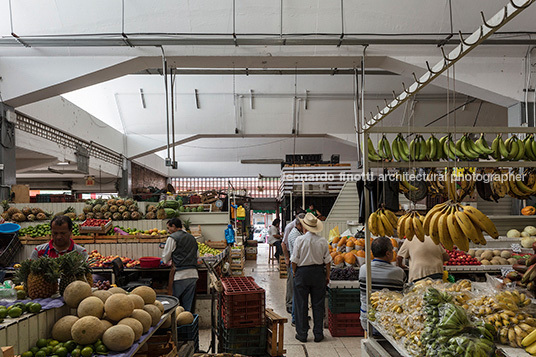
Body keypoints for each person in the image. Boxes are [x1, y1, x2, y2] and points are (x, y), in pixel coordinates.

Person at [291, 213, 331, 343]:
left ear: (304, 226)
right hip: (318, 273)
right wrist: (327, 275)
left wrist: (295, 272)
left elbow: (294, 260)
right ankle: (318, 334)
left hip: (302, 273)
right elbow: (327, 261)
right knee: (318, 305)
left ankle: (302, 334)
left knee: (301, 304)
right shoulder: (323, 241)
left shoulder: (300, 240)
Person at [359, 237, 406, 330]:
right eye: (392, 251)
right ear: (388, 254)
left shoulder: (363, 269)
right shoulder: (399, 273)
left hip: (366, 319)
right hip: (389, 322)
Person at [162, 217, 199, 312]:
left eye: (168, 228)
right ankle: (188, 325)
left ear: (173, 226)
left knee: (175, 305)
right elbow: (197, 255)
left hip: (180, 275)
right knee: (188, 307)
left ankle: (177, 325)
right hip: (193, 275)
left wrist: (166, 260)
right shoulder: (192, 238)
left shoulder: (172, 238)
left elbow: (165, 258)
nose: (168, 230)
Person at [282, 213, 305, 320]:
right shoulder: (290, 229)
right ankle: (290, 306)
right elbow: (283, 244)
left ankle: (297, 312)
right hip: (293, 261)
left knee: (297, 288)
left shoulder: (298, 231)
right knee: (292, 284)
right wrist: (286, 258)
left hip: (295, 261)